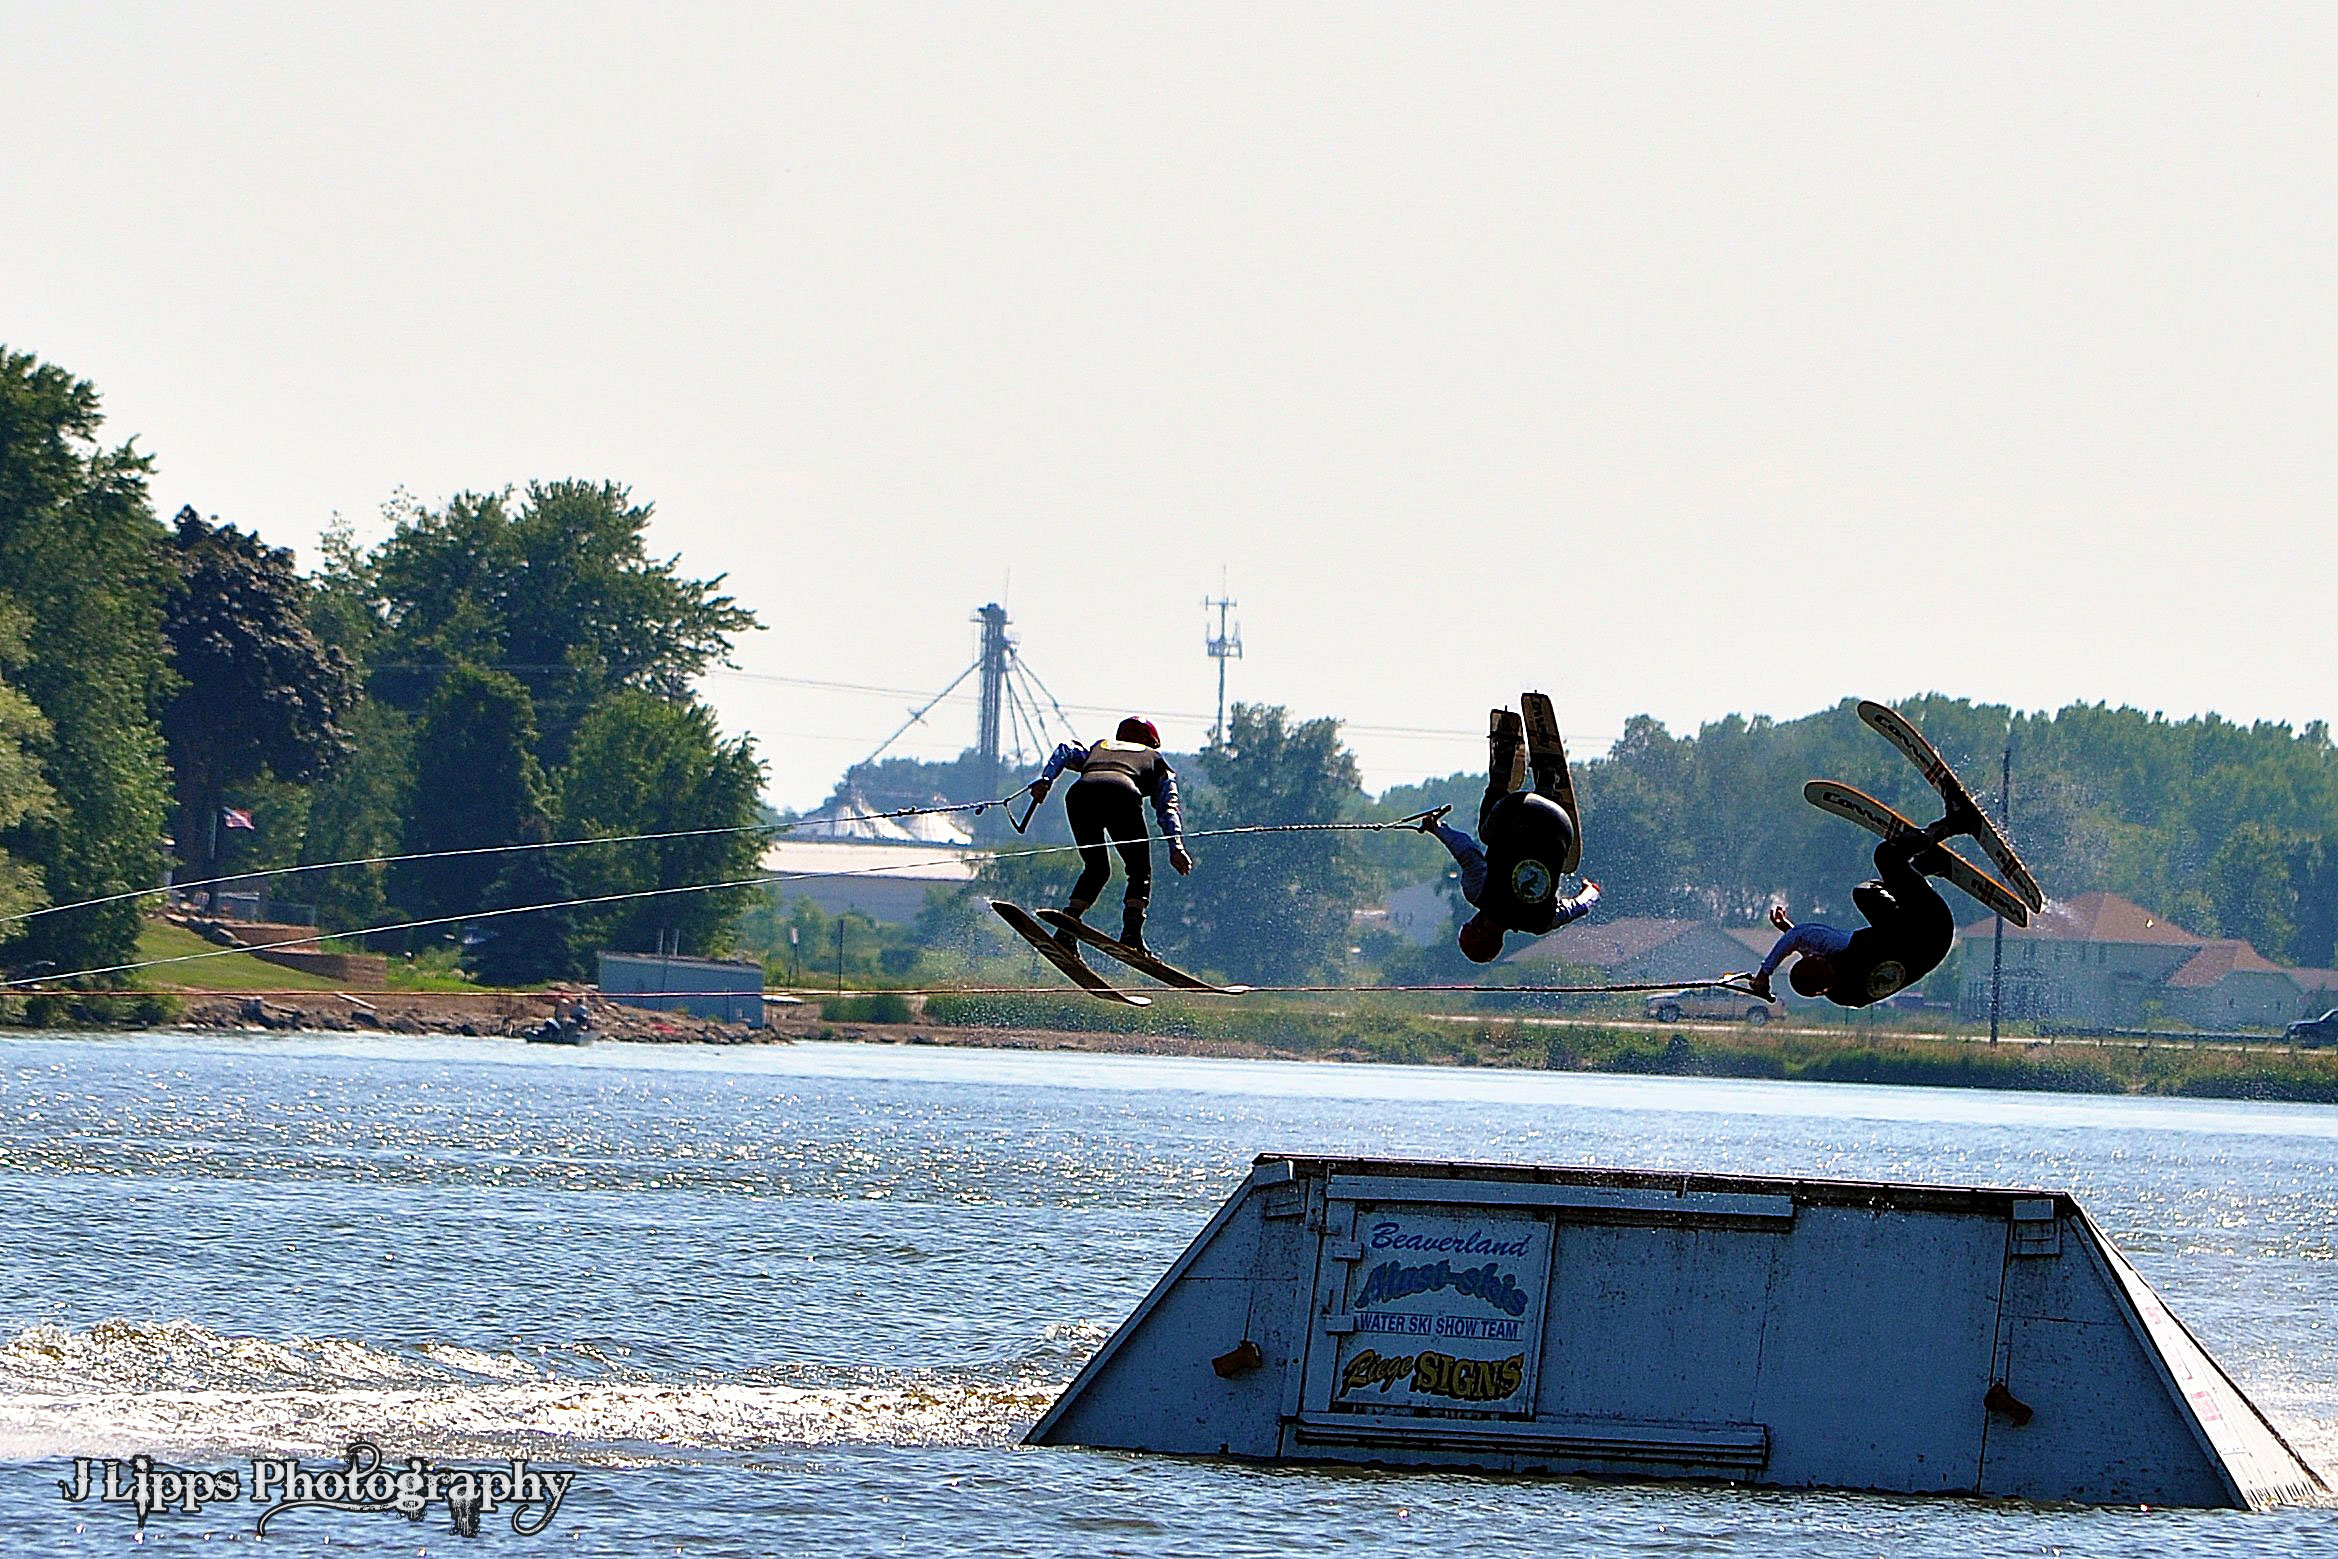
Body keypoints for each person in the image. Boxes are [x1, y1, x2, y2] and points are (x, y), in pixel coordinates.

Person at [1745, 800, 1987, 1007]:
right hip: (1930, 923)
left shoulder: (1843, 996)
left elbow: (1812, 952)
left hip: (1936, 947)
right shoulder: (1840, 949)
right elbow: (1802, 936)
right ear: (1822, 960)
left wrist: (1790, 930)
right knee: (1883, 861)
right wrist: (1764, 974)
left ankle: (1924, 867)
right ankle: (1954, 824)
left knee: (1872, 902)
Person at [1417, 707, 1600, 963]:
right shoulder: (1478, 893)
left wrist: (1591, 890)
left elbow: (1579, 906)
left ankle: (1548, 778)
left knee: (1542, 841)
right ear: (1476, 928)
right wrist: (1437, 828)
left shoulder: (1539, 923)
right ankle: (1503, 758)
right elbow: (1466, 851)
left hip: (1560, 824)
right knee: (1485, 832)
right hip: (1517, 809)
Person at [1028, 717, 1193, 953]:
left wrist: (1046, 778)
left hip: (1080, 795)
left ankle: (1068, 925)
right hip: (1122, 794)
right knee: (1139, 871)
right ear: (1150, 742)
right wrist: (1176, 846)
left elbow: (1066, 749)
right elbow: (1168, 808)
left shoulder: (1100, 746)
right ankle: (1131, 935)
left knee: (1096, 869)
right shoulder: (1157, 762)